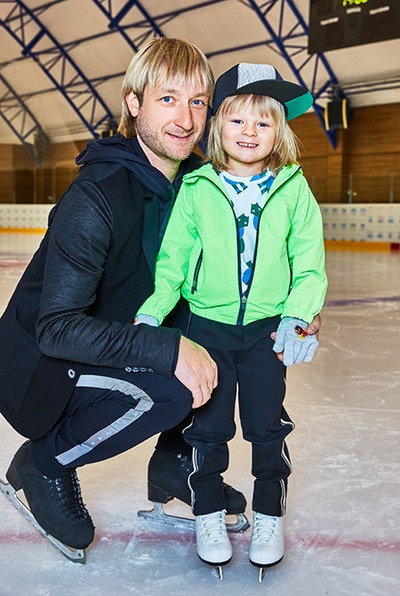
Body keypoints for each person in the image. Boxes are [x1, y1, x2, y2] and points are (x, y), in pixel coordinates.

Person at [0, 38, 246, 553]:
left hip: (112, 341)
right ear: (134, 104)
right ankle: (44, 462)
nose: (185, 118)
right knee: (174, 383)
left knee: (228, 339)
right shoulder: (98, 194)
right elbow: (57, 326)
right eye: (168, 99)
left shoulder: (196, 188)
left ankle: (175, 464)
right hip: (44, 365)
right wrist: (168, 349)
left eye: (198, 102)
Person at [134, 62, 328, 571]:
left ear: (279, 131)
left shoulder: (293, 189)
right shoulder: (197, 189)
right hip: (208, 330)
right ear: (217, 126)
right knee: (208, 429)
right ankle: (208, 512)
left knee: (268, 427)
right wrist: (153, 313)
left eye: (263, 123)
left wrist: (298, 316)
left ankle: (269, 515)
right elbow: (172, 260)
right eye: (237, 120)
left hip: (266, 332)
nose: (249, 132)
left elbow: (309, 264)